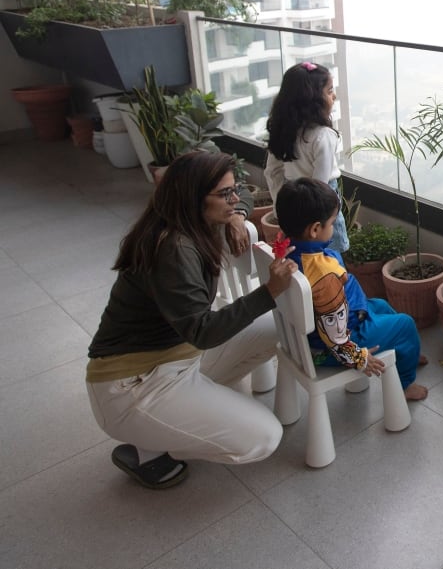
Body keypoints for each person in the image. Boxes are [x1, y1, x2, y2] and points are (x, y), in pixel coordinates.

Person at [86, 151, 299, 490]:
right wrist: (268, 292)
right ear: (192, 198)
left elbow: (243, 196)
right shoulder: (172, 248)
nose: (234, 197)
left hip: (176, 359)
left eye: (234, 188)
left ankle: (175, 418)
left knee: (277, 327)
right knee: (265, 438)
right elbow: (203, 331)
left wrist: (234, 215)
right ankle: (150, 445)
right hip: (131, 385)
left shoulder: (192, 221)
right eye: (224, 194)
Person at [274, 177, 428, 400]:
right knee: (405, 324)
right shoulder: (324, 277)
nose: (335, 225)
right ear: (316, 229)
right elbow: (334, 336)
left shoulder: (288, 248)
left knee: (381, 305)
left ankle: (406, 350)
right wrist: (358, 358)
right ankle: (405, 383)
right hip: (330, 347)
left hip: (309, 334)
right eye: (333, 221)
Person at [264, 61, 350, 254]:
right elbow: (320, 186)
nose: (334, 95)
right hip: (322, 207)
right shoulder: (323, 136)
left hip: (294, 202)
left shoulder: (284, 131)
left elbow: (272, 172)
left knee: (304, 257)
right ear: (312, 100)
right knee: (332, 257)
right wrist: (318, 220)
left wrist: (283, 211)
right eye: (329, 91)